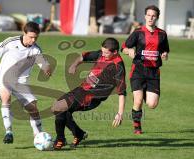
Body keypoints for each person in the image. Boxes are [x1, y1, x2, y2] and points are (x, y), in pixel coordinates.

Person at [0, 22, 51, 144]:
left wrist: (47, 69)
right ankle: (8, 132)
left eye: (36, 37)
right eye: (31, 37)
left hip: (20, 83)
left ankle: (38, 135)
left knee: (33, 107)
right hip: (2, 80)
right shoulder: (11, 42)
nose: (33, 40)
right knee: (6, 96)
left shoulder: (36, 50)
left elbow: (44, 65)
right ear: (24, 33)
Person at [50, 37, 126, 149]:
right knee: (59, 109)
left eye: (106, 53)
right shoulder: (101, 53)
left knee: (59, 107)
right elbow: (84, 55)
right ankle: (78, 134)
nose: (103, 54)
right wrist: (74, 65)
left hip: (91, 97)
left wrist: (120, 113)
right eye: (102, 51)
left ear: (115, 52)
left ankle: (60, 140)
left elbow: (122, 92)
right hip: (82, 90)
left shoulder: (117, 66)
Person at [121, 5, 170, 134]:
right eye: (148, 15)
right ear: (145, 16)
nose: (150, 18)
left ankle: (142, 94)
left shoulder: (162, 34)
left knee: (152, 104)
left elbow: (165, 50)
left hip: (153, 73)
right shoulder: (138, 32)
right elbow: (124, 47)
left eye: (153, 16)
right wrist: (129, 51)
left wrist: (164, 54)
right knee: (137, 100)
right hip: (138, 70)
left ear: (157, 17)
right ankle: (137, 126)